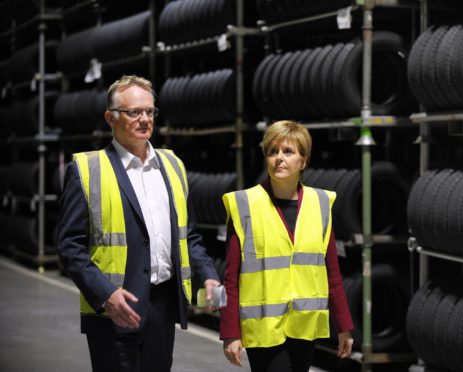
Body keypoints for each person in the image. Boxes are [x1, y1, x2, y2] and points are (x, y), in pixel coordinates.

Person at [57, 75, 221, 372]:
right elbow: (70, 248)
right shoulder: (87, 169)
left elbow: (189, 235)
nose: (145, 119)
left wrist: (208, 274)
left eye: (150, 111)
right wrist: (105, 295)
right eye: (134, 112)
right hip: (114, 310)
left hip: (162, 307)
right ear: (111, 117)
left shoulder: (173, 165)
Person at [220, 120, 354, 371]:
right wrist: (230, 332)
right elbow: (231, 277)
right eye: (273, 151)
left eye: (288, 152)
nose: (279, 158)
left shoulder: (320, 204)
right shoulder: (244, 205)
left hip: (304, 325)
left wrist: (344, 326)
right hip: (263, 329)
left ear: (303, 161)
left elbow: (332, 273)